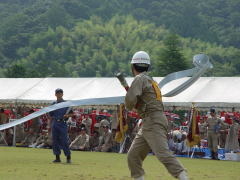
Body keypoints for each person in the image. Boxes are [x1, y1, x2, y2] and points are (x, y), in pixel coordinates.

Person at [125, 51, 188, 180]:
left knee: (163, 153)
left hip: (152, 120)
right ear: (147, 66)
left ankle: (183, 176)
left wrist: (129, 104)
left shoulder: (139, 79)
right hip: (152, 120)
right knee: (133, 156)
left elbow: (130, 101)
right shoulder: (151, 80)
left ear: (133, 67)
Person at [48, 88, 73, 163]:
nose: (59, 94)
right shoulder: (53, 104)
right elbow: (50, 115)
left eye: (60, 93)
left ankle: (68, 157)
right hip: (55, 123)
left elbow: (71, 113)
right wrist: (49, 124)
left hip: (62, 123)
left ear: (62, 94)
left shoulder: (66, 104)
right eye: (57, 93)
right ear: (55, 94)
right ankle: (57, 158)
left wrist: (67, 115)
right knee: (55, 140)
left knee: (64, 140)